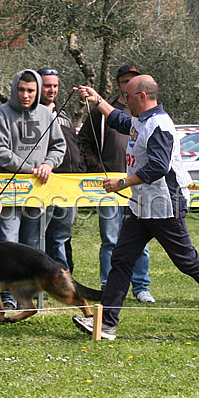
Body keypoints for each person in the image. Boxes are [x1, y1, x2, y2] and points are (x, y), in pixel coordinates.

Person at [72, 75, 199, 340]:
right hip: (141, 205)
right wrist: (97, 99)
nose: (124, 101)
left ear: (142, 97)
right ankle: (106, 325)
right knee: (122, 259)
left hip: (164, 204)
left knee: (188, 262)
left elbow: (159, 166)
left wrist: (122, 182)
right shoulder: (141, 121)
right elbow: (120, 121)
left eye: (127, 96)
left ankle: (107, 323)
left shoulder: (160, 125)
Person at [0, 69, 66, 309]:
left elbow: (58, 146)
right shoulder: (1, 113)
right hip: (9, 191)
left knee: (32, 245)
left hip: (36, 192)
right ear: (14, 89)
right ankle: (8, 297)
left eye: (31, 90)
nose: (26, 95)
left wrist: (48, 164)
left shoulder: (47, 114)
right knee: (9, 243)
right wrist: (31, 168)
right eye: (21, 89)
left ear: (38, 91)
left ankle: (28, 297)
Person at [77, 64, 155, 303]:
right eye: (125, 81)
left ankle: (141, 286)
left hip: (137, 186)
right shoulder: (106, 114)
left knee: (141, 241)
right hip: (110, 184)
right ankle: (109, 285)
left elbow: (157, 157)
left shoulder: (148, 117)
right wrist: (98, 170)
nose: (129, 85)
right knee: (111, 239)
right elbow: (84, 142)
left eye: (134, 80)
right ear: (118, 84)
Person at [37, 68, 85, 271]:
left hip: (70, 183)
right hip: (47, 182)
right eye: (47, 85)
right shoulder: (34, 113)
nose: (52, 90)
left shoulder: (62, 110)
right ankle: (48, 277)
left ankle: (64, 277)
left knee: (62, 236)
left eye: (55, 86)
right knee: (44, 234)